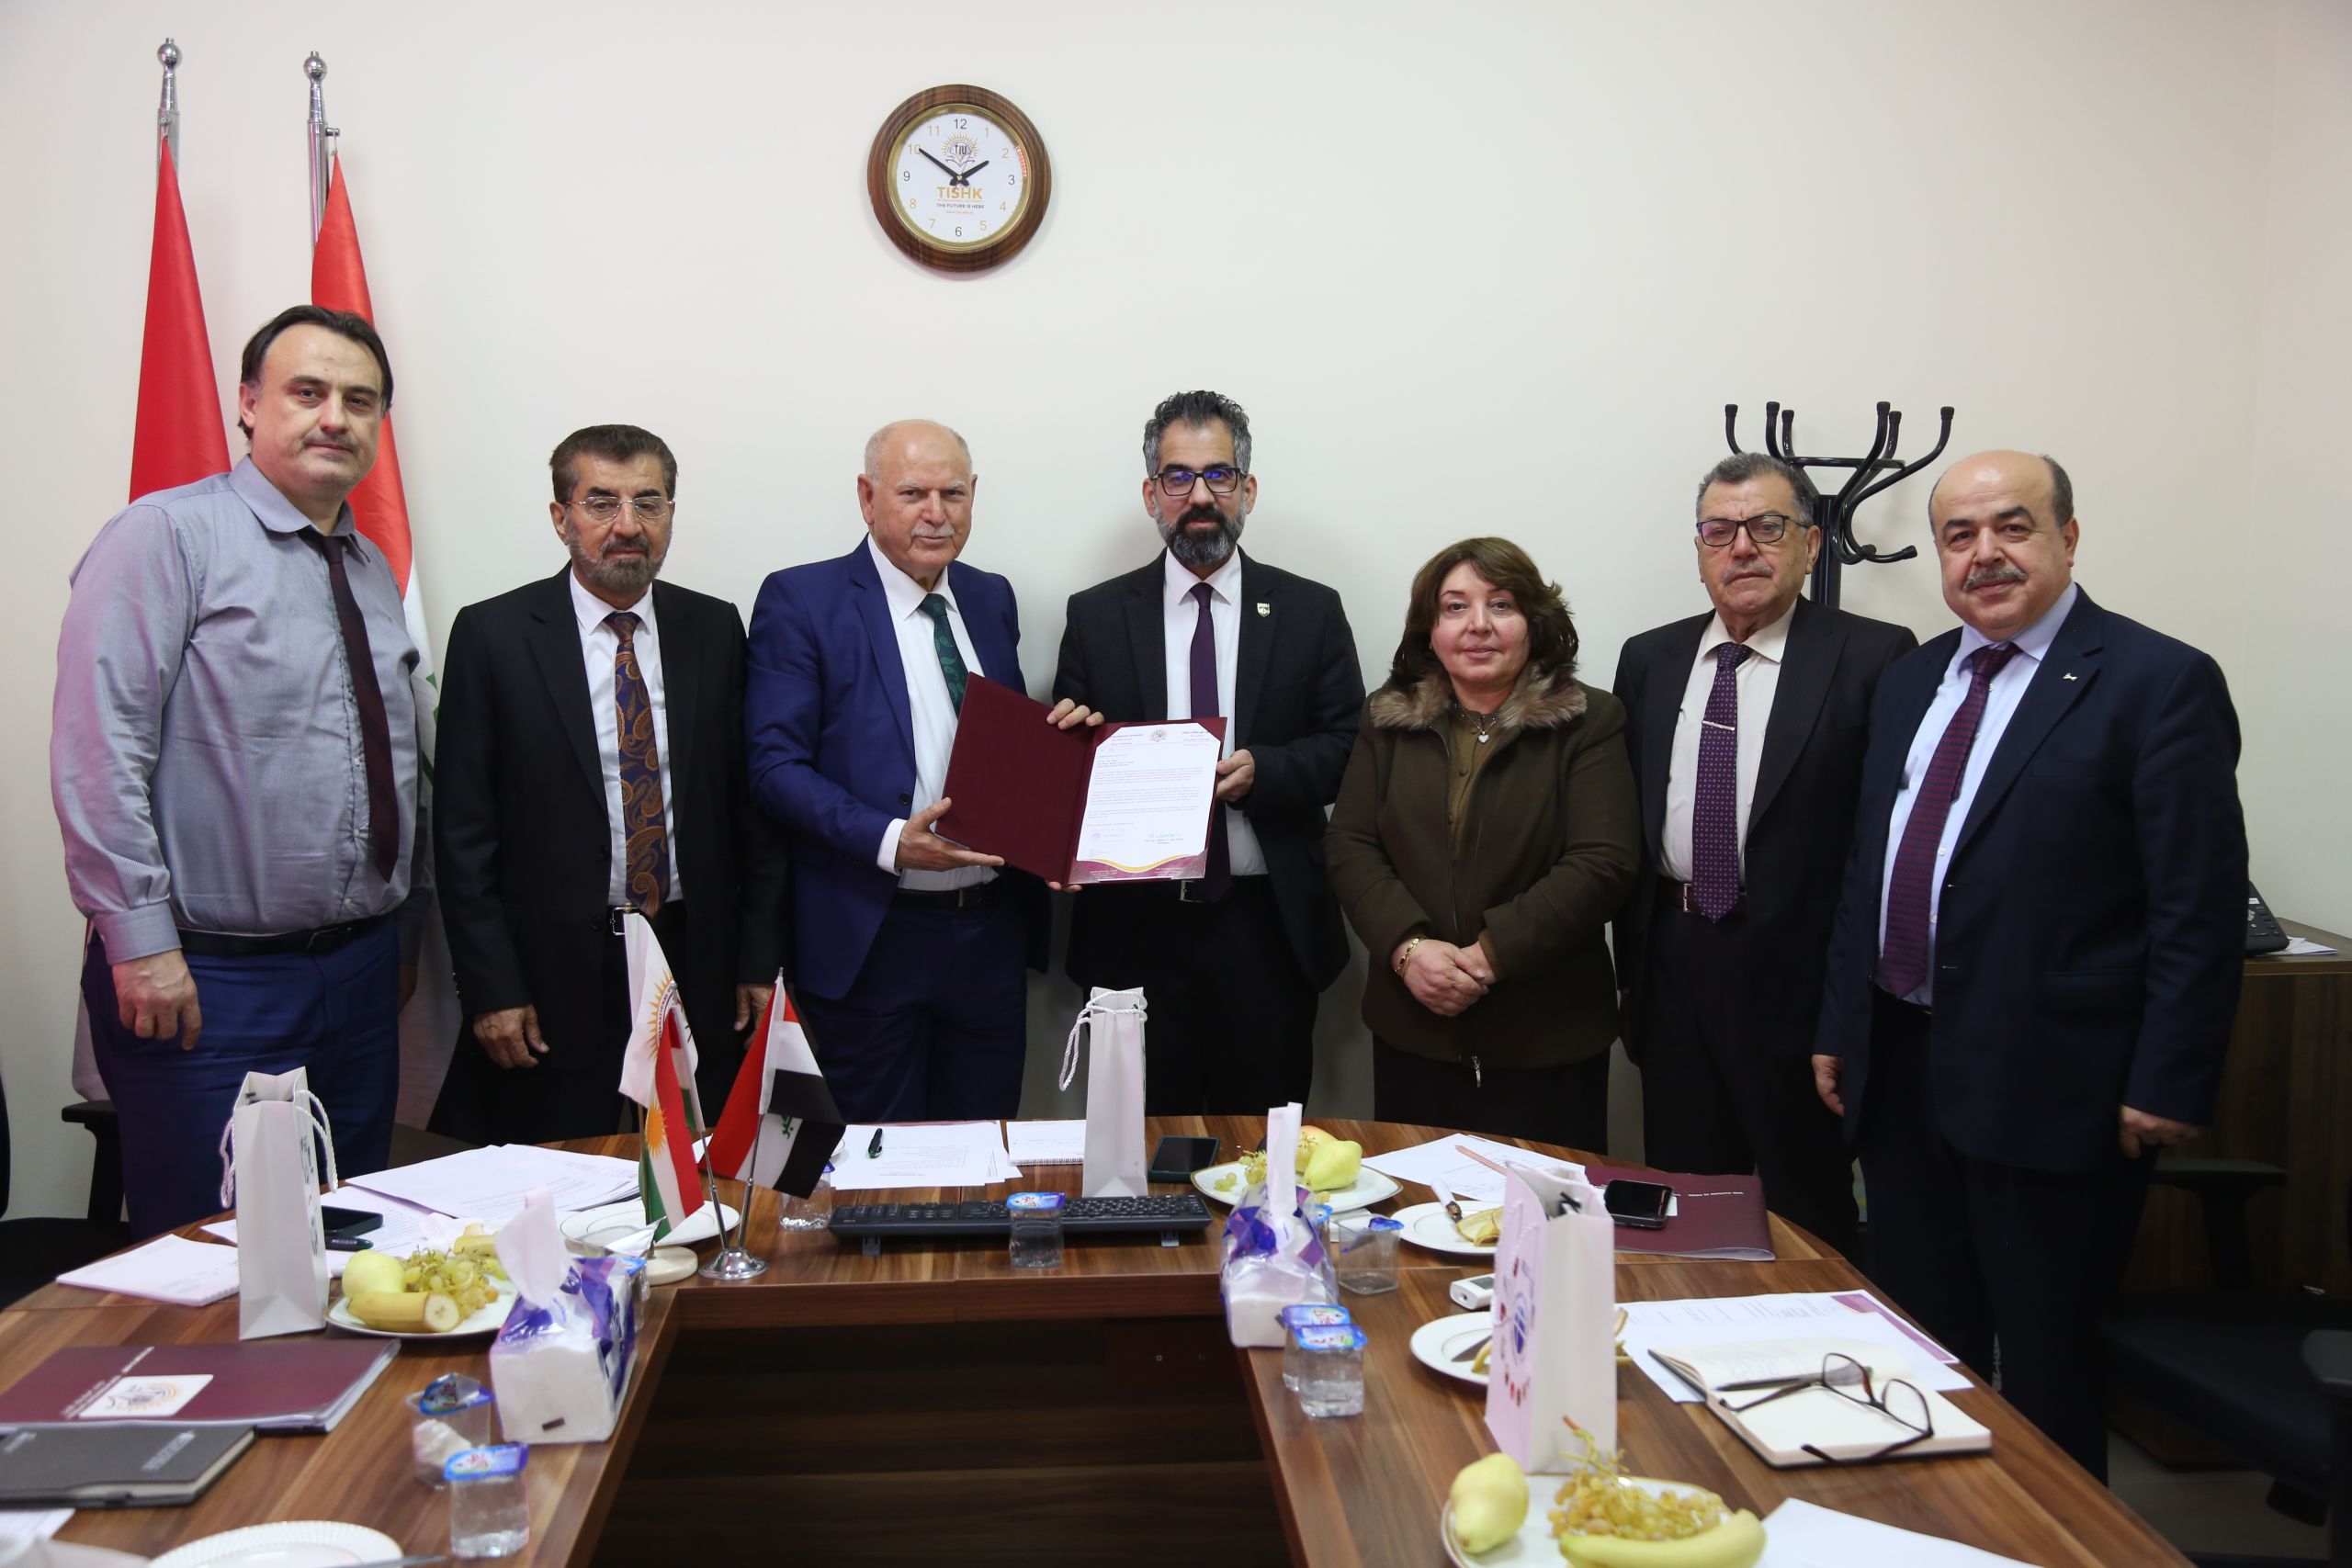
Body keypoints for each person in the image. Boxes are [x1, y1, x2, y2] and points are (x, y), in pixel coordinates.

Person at [1813, 450, 2247, 1479]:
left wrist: (2168, 1078)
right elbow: (1869, 868)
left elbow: (2196, 904)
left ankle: (2056, 1541)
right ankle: (1940, 1528)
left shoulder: (2156, 681)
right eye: (1959, 535)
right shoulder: (1912, 678)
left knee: (2048, 1369)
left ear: (2068, 537)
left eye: (2012, 526)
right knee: (1921, 1350)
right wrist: (1840, 1024)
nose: (1985, 554)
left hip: (2056, 1085)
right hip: (1903, 1067)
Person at [52, 305, 424, 1236]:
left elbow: (394, 760)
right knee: (216, 1256)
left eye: (360, 400)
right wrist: (139, 941)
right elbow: (100, 750)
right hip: (208, 982)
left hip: (358, 973)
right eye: (308, 391)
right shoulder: (164, 536)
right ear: (249, 404)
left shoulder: (368, 566)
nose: (335, 417)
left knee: (343, 1244)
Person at [430, 425, 789, 1142]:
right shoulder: (493, 635)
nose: (627, 525)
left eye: (648, 502)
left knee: (703, 1162)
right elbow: (463, 834)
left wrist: (758, 958)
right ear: (560, 516)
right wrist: (493, 987)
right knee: (570, 1169)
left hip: (695, 954)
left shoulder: (713, 628)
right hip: (556, 967)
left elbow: (752, 812)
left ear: (670, 513)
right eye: (601, 502)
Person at [1611, 455, 1915, 1257]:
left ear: (1811, 545)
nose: (1741, 547)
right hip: (1674, 962)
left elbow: (1882, 847)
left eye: (1766, 527)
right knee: (1684, 1207)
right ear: (1700, 549)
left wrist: (1850, 1009)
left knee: (1806, 1210)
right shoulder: (1649, 658)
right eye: (1720, 530)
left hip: (1799, 978)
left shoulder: (1875, 656)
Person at [746, 420, 1073, 1122]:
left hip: (989, 935)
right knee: (876, 1161)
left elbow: (1003, 751)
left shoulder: (991, 597)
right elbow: (774, 767)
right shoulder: (803, 600)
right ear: (867, 498)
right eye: (912, 493)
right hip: (872, 935)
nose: (936, 512)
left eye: (953, 493)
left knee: (985, 1151)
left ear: (974, 494)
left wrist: (1058, 793)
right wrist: (893, 840)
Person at [1049, 391, 1363, 1112]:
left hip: (1266, 926)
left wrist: (1266, 771)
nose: (1199, 496)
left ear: (1247, 490)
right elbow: (1071, 764)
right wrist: (1071, 743)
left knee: (1259, 1147)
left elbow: (1351, 746)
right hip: (1135, 927)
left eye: (1218, 474)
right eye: (1179, 476)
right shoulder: (1095, 615)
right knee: (1146, 1142)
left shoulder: (1310, 610)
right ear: (1151, 494)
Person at [1326, 538, 1638, 1146]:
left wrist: (1488, 957)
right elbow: (1351, 845)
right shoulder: (1385, 719)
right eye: (1455, 607)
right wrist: (1411, 951)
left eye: (1501, 604)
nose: (1478, 625)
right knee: (1414, 1200)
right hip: (1413, 1032)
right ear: (1431, 629)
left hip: (1547, 1040)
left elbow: (1604, 862)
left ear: (1533, 621)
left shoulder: (1590, 720)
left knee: (1541, 1206)